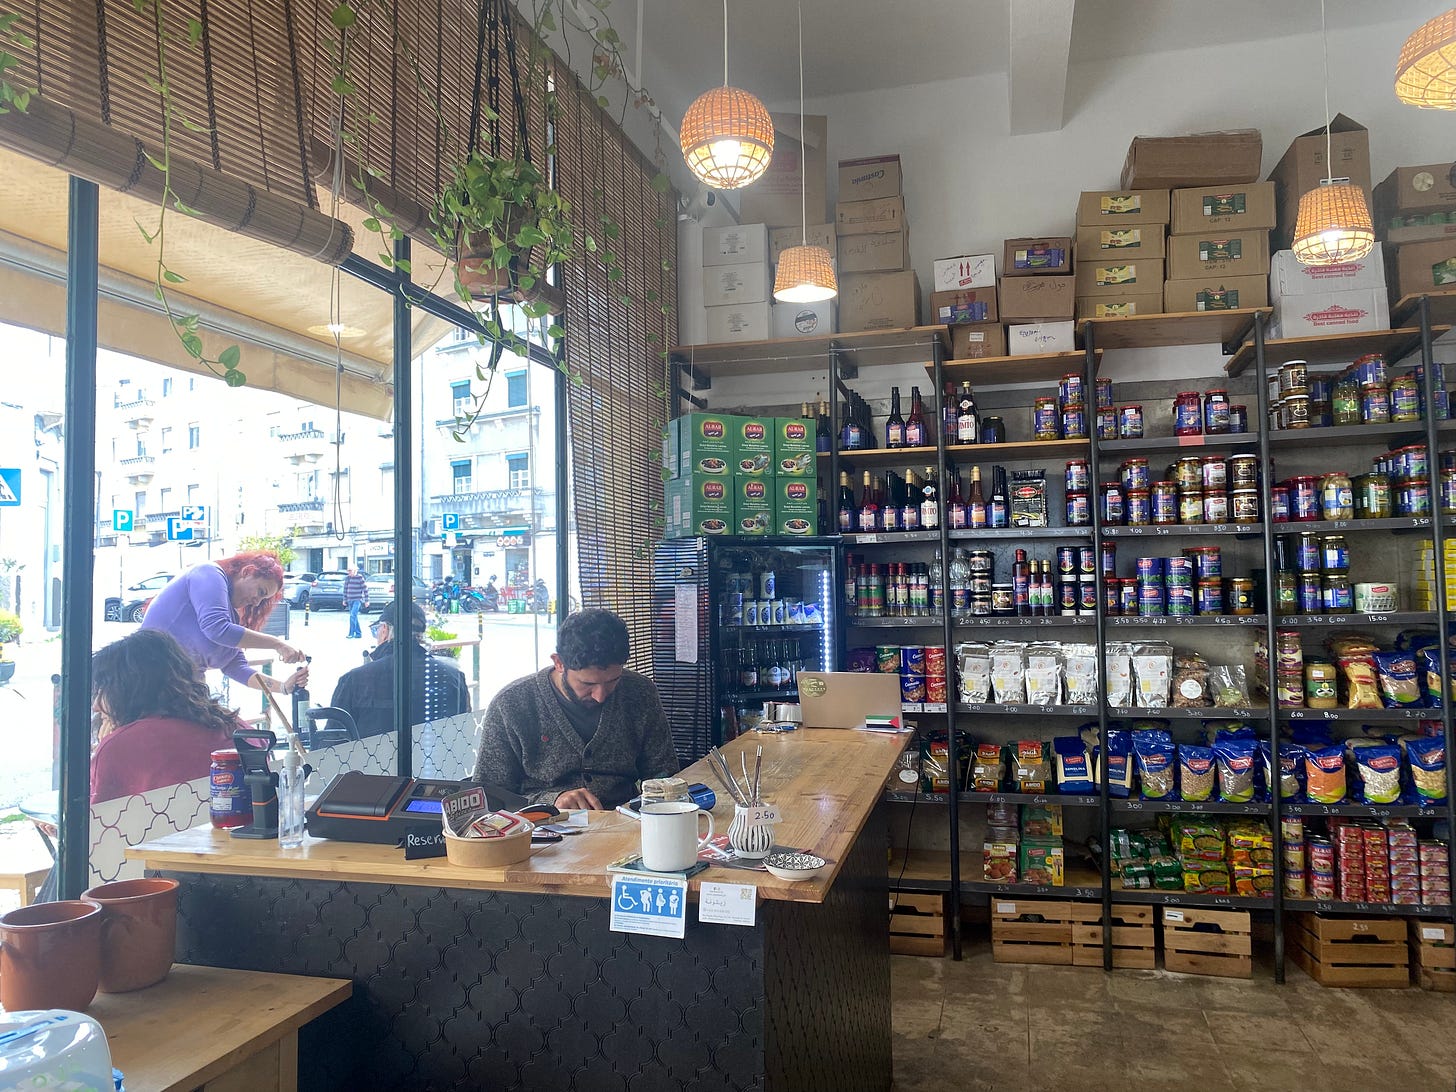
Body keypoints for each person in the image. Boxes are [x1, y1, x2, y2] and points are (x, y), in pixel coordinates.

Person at [473, 608, 678, 809]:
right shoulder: (512, 704)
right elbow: (488, 797)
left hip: (625, 822)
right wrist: (551, 801)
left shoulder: (640, 692)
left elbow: (664, 773)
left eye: (612, 681)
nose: (600, 696)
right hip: (543, 830)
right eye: (587, 684)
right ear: (559, 663)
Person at [90, 629, 246, 802]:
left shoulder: (121, 747)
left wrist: (105, 749)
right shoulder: (239, 728)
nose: (96, 706)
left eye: (103, 691)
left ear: (128, 690)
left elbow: (97, 822)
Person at [141, 551, 308, 695]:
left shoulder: (228, 617)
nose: (257, 603)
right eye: (260, 592)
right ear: (248, 571)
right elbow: (217, 629)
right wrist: (277, 644)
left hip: (180, 694)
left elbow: (236, 666)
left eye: (263, 599)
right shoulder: (208, 572)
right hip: (151, 685)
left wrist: (284, 687)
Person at [329, 599, 471, 738]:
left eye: (376, 630)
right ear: (420, 635)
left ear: (384, 629)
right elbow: (464, 736)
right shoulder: (454, 678)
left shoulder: (354, 680)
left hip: (371, 761)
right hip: (437, 760)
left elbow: (332, 744)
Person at [344, 563, 369, 638]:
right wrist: (344, 599)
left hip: (357, 599)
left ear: (355, 571)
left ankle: (351, 633)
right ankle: (358, 633)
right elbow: (345, 589)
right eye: (348, 571)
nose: (349, 572)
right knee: (354, 617)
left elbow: (365, 589)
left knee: (352, 616)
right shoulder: (347, 578)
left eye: (350, 570)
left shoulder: (359, 578)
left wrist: (366, 601)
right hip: (350, 599)